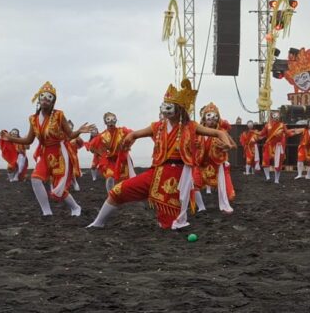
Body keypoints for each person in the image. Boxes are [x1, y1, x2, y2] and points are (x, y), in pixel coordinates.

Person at [87, 79, 235, 229]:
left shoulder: (191, 126)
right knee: (117, 191)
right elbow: (136, 134)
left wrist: (227, 144)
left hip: (177, 177)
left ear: (179, 108)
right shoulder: (158, 126)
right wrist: (128, 138)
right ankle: (97, 223)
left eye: (169, 106)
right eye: (164, 105)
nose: (165, 109)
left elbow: (218, 132)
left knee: (168, 224)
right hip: (156, 172)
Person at [0, 81, 94, 216]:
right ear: (39, 99)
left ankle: (76, 207)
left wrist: (79, 131)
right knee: (35, 179)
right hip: (44, 153)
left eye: (49, 97)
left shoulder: (59, 115)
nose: (45, 99)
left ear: (53, 101)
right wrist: (11, 139)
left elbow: (70, 135)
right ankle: (47, 212)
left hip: (60, 153)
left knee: (57, 188)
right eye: (43, 96)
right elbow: (29, 140)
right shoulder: (33, 119)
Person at [194, 102, 234, 213]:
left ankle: (225, 206)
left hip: (216, 162)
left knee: (222, 185)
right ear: (204, 118)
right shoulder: (197, 131)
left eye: (215, 117)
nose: (212, 120)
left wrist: (227, 147)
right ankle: (201, 207)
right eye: (209, 117)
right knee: (193, 184)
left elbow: (230, 145)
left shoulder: (221, 132)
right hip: (201, 162)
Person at [89, 112, 135, 192]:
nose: (111, 122)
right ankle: (110, 196)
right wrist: (103, 153)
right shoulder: (102, 136)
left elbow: (133, 135)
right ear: (105, 122)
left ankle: (119, 195)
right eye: (108, 119)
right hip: (110, 161)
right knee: (110, 177)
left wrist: (127, 146)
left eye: (113, 119)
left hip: (122, 159)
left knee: (123, 180)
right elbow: (91, 147)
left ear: (116, 120)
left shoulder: (122, 131)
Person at [258, 110, 297, 184]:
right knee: (265, 161)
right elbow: (262, 133)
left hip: (278, 146)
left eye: (277, 116)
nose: (276, 118)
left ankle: (276, 179)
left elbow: (287, 133)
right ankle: (268, 177)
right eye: (274, 116)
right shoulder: (267, 125)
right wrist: (256, 133)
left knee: (278, 163)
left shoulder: (282, 125)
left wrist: (294, 131)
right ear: (272, 117)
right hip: (269, 145)